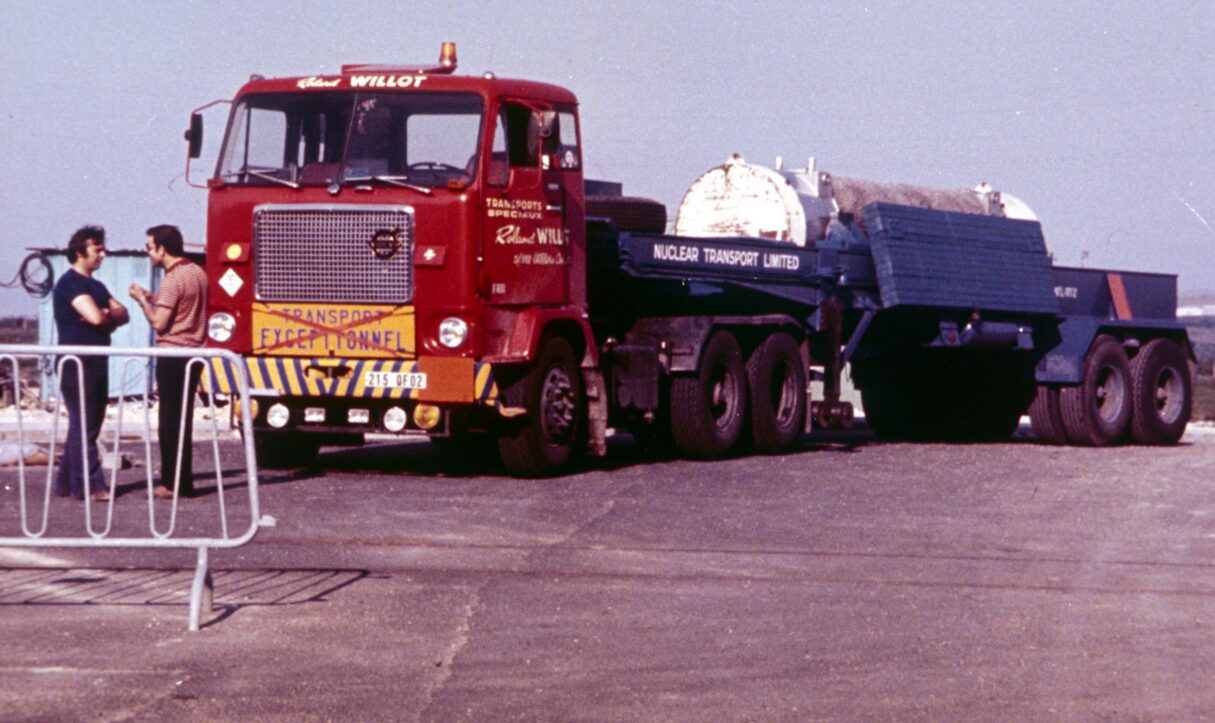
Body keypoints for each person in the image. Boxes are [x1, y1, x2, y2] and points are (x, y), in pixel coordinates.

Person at [129, 225, 208, 499]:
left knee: (169, 421)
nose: (148, 253)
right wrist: (154, 299)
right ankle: (182, 481)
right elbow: (180, 306)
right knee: (182, 419)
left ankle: (172, 483)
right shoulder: (197, 272)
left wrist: (142, 301)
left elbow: (160, 322)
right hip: (195, 352)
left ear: (163, 249)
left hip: (173, 353)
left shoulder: (172, 279)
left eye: (150, 247)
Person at [52, 225, 129, 501]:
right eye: (97, 249)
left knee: (86, 422)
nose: (103, 254)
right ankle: (90, 485)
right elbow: (96, 319)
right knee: (85, 422)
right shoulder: (70, 283)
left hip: (95, 359)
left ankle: (65, 484)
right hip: (77, 362)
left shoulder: (96, 286)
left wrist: (107, 313)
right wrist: (107, 316)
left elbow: (123, 313)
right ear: (79, 252)